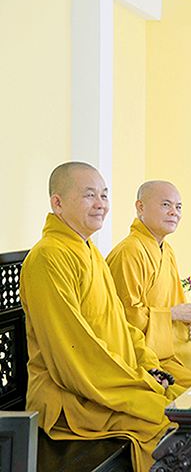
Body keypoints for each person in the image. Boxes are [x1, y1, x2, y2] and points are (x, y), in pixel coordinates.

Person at [20, 162, 178, 472]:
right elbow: (73, 352)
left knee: (185, 404)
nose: (101, 204)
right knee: (167, 421)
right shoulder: (47, 257)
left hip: (108, 383)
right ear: (57, 203)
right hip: (72, 398)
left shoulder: (90, 251)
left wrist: (147, 365)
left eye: (104, 195)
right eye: (89, 195)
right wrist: (137, 383)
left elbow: (122, 325)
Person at [107, 180, 191, 390]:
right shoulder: (130, 251)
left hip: (176, 351)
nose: (174, 212)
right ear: (140, 207)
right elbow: (126, 317)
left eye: (178, 207)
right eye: (165, 205)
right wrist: (174, 313)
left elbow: (173, 301)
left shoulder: (167, 250)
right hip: (149, 358)